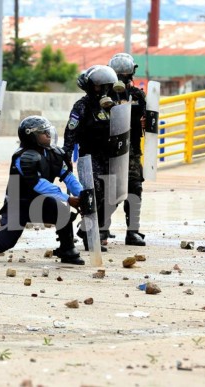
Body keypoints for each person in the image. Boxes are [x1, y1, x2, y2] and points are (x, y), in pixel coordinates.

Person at [0, 116, 84, 265]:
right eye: (43, 132)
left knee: (62, 210)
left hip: (40, 202)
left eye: (48, 131)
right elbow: (38, 184)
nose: (48, 135)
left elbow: (68, 177)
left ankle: (67, 250)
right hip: (18, 205)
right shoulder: (23, 157)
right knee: (2, 245)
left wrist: (82, 194)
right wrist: (68, 198)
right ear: (31, 136)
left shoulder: (53, 153)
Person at [62, 64, 120, 250]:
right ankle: (90, 236)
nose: (103, 90)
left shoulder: (114, 107)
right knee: (93, 195)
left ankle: (87, 229)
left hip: (110, 157)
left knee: (114, 196)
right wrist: (66, 158)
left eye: (106, 86)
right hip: (89, 158)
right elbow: (70, 132)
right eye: (99, 86)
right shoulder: (82, 106)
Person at [108, 53, 147, 246]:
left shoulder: (138, 96)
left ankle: (133, 232)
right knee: (110, 191)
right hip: (109, 151)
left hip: (131, 150)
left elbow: (146, 121)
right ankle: (100, 228)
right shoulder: (104, 97)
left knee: (134, 188)